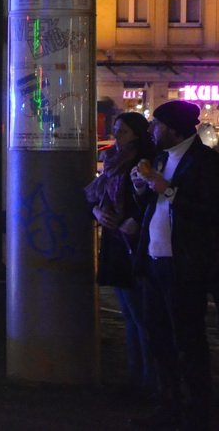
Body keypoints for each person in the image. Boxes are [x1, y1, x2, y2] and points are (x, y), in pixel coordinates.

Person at [129, 100, 219, 430]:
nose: (151, 131)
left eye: (156, 125)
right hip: (154, 260)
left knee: (188, 341)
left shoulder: (205, 163)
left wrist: (168, 191)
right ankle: (168, 405)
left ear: (173, 128)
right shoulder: (161, 159)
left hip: (184, 266)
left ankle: (197, 411)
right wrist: (143, 190)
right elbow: (154, 204)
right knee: (159, 338)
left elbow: (208, 211)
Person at [84, 112, 155, 397]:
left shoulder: (143, 162)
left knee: (141, 316)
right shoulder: (114, 161)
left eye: (122, 132)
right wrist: (98, 212)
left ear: (136, 134)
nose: (116, 136)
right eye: (115, 130)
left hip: (133, 245)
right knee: (130, 314)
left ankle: (149, 382)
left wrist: (134, 220)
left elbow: (150, 199)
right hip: (116, 242)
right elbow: (96, 198)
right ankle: (136, 378)